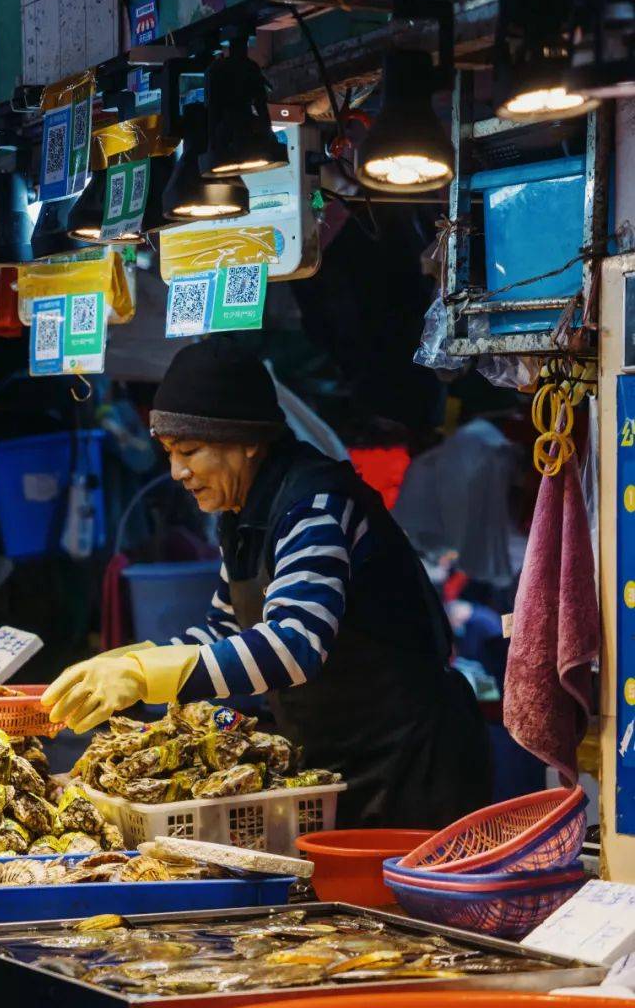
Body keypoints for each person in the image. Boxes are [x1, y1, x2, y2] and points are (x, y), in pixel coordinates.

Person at [44, 337, 491, 828]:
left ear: (248, 441)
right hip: (335, 763)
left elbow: (295, 644)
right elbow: (224, 630)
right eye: (170, 452)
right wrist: (134, 658)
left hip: (410, 768)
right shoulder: (243, 515)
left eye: (190, 450)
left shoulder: (314, 507)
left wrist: (148, 674)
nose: (177, 471)